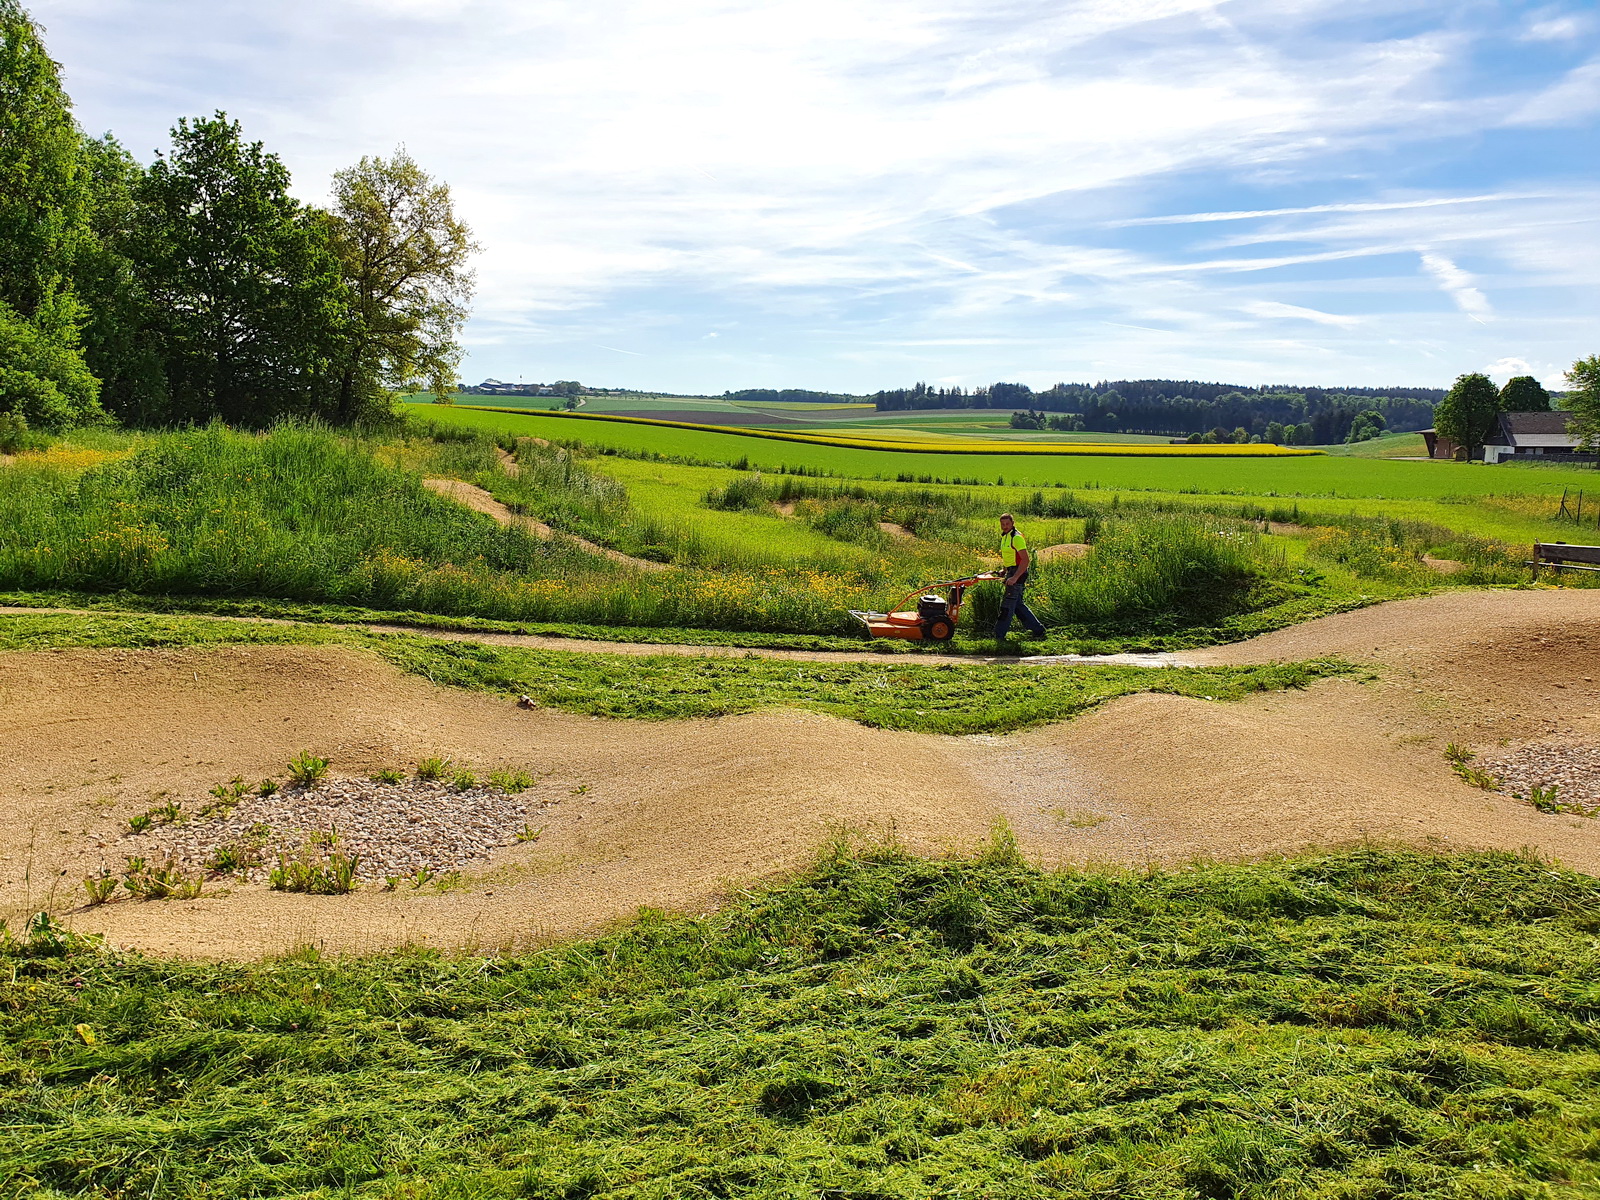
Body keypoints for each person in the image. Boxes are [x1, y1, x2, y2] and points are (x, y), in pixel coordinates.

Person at [994, 512, 1047, 641]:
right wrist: (1004, 570)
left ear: (1013, 523)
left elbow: (1025, 560)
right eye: (1002, 524)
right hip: (1012, 571)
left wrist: (1014, 577)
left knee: (1007, 606)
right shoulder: (1005, 536)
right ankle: (1038, 630)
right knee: (1017, 605)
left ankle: (999, 636)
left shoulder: (1016, 538)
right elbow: (1010, 556)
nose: (1005, 526)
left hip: (1018, 572)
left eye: (1007, 524)